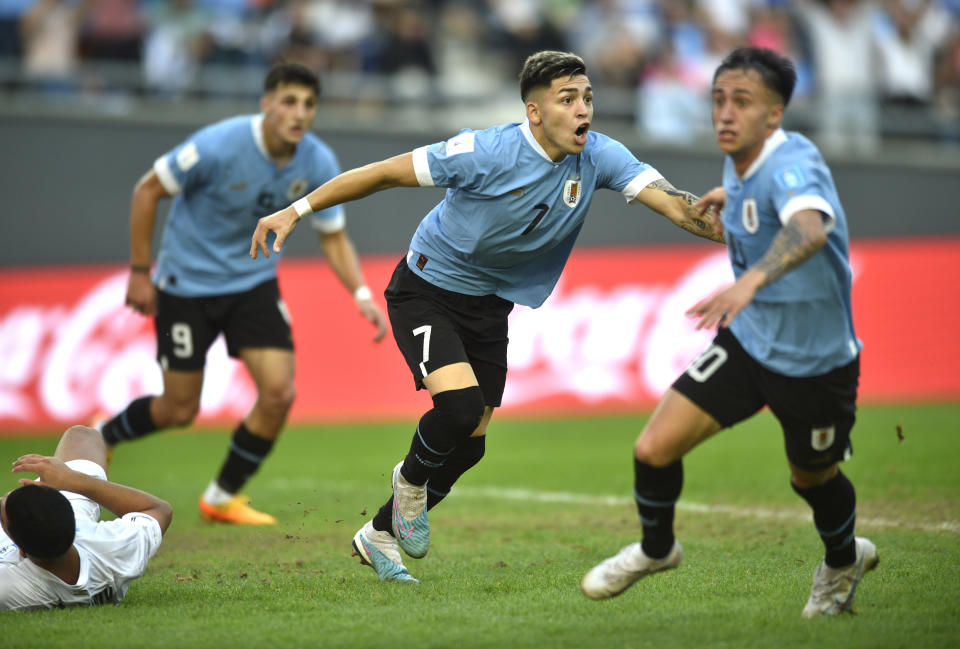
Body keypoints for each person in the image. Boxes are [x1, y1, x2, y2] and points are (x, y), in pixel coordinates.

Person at [250, 50, 725, 583]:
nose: (582, 109)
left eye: (587, 97)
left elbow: (676, 203)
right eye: (567, 99)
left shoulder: (599, 156)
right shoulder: (483, 151)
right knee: (456, 410)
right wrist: (295, 210)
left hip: (489, 306)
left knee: (471, 445)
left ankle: (378, 532)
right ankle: (408, 486)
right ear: (535, 112)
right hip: (425, 289)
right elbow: (382, 174)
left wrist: (744, 235)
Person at [580, 47, 878, 618]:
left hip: (816, 362)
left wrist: (748, 283)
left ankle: (842, 560)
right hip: (749, 342)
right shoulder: (737, 164)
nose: (725, 113)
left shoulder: (793, 161)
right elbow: (757, 213)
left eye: (742, 101)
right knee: (653, 448)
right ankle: (657, 548)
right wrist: (729, 203)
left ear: (774, 115)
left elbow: (810, 228)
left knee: (811, 477)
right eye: (719, 99)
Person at [96, 61, 388, 526]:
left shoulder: (318, 162)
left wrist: (361, 294)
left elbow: (333, 236)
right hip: (186, 286)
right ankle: (103, 433)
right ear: (266, 104)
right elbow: (147, 190)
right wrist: (138, 271)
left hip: (252, 284)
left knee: (278, 393)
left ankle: (221, 496)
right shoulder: (218, 145)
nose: (300, 113)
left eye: (309, 104)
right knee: (179, 409)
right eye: (289, 101)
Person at [1, 425, 172, 610]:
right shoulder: (112, 550)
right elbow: (160, 509)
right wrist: (73, 480)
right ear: (71, 517)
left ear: (21, 551)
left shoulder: (9, 587)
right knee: (82, 436)